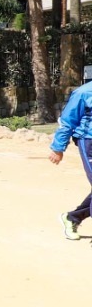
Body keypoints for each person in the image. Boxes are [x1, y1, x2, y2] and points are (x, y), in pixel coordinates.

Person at [49, 75, 92, 239]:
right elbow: (68, 121)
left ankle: (72, 218)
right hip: (88, 142)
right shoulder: (83, 93)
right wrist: (58, 148)